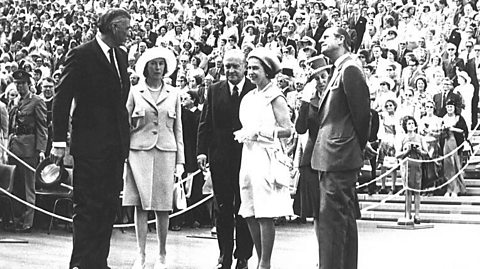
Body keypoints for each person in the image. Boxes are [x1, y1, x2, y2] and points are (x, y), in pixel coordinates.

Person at [50, 9, 132, 269]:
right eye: (126, 28)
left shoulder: (121, 56)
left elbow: (120, 103)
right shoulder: (81, 54)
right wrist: (59, 142)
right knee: (87, 207)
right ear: (112, 27)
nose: (129, 33)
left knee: (108, 207)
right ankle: (81, 263)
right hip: (89, 145)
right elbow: (62, 99)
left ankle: (99, 262)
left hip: (114, 147)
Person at [311, 27, 371, 269]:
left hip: (339, 155)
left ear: (341, 40)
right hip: (332, 154)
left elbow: (362, 116)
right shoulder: (339, 70)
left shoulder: (350, 69)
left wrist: (354, 147)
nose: (321, 40)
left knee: (332, 223)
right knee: (340, 220)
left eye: (326, 36)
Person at [122, 47, 184, 269]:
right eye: (153, 64)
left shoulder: (174, 93)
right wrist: (123, 155)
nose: (158, 68)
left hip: (166, 152)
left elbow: (178, 130)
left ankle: (162, 253)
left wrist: (180, 161)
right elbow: (125, 124)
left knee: (162, 205)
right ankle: (140, 253)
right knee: (140, 204)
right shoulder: (135, 91)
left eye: (161, 64)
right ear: (145, 67)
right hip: (138, 151)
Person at [234, 47, 293, 269]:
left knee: (264, 211)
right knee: (249, 208)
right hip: (248, 154)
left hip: (266, 155)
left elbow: (288, 130)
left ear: (267, 71)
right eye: (248, 68)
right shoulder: (249, 96)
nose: (250, 72)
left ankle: (265, 263)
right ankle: (260, 259)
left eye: (255, 68)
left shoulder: (275, 97)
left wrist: (262, 132)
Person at [197, 49, 254, 269]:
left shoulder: (253, 90)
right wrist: (201, 151)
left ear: (244, 67)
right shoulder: (214, 90)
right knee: (222, 209)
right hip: (220, 158)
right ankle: (224, 255)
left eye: (235, 66)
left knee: (244, 207)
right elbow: (205, 123)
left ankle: (243, 256)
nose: (230, 70)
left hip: (246, 157)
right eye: (227, 66)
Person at [293, 55, 330, 257]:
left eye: (323, 76)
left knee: (330, 211)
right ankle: (321, 254)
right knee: (317, 212)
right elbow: (300, 128)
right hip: (311, 157)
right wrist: (305, 101)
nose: (321, 81)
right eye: (317, 78)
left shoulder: (336, 96)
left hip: (332, 156)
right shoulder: (310, 100)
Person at [7, 69, 47, 232]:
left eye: (22, 84)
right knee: (15, 186)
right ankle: (16, 218)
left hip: (29, 149)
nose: (20, 87)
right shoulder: (14, 101)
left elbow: (42, 128)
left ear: (29, 84)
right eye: (17, 84)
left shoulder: (36, 101)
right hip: (14, 148)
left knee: (28, 187)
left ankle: (28, 221)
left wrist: (41, 150)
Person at [396, 116, 428, 224]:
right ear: (405, 126)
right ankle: (408, 214)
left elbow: (426, 153)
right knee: (408, 191)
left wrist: (419, 150)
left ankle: (417, 214)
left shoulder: (420, 138)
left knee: (417, 191)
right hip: (406, 166)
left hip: (417, 165)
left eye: (412, 123)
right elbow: (397, 154)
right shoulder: (402, 138)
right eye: (408, 123)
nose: (411, 125)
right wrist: (407, 151)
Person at [441, 99, 468, 197]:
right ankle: (449, 188)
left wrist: (452, 129)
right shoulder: (444, 118)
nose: (449, 109)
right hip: (446, 141)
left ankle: (456, 188)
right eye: (448, 107)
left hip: (455, 142)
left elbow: (463, 131)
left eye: (451, 107)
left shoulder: (458, 118)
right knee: (447, 165)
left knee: (454, 164)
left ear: (454, 108)